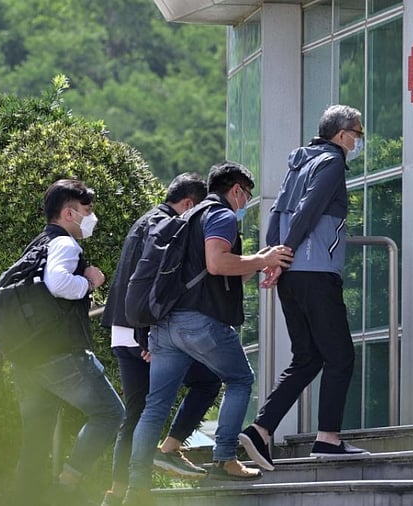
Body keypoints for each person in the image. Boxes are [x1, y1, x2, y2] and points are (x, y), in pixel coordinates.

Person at [121, 162, 293, 506]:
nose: (245, 201)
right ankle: (225, 458)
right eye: (246, 194)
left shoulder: (186, 218)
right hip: (198, 322)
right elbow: (217, 263)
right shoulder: (222, 216)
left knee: (155, 405)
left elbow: (215, 273)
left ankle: (135, 486)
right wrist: (263, 260)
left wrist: (256, 260)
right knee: (240, 379)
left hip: (165, 325)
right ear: (236, 190)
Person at [239, 105, 369, 472]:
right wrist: (286, 252)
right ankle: (328, 439)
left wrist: (273, 258)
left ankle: (261, 430)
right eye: (357, 134)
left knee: (309, 357)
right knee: (340, 356)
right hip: (315, 272)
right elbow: (308, 210)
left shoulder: (299, 162)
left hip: (292, 274)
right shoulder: (330, 162)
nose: (358, 141)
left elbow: (278, 212)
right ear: (342, 135)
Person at [99, 174, 223, 506]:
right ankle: (168, 450)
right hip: (144, 332)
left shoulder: (145, 221)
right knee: (208, 380)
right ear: (188, 205)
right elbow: (151, 283)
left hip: (122, 329)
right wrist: (147, 338)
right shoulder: (167, 227)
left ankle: (120, 490)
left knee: (137, 410)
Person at [9, 179, 125, 506]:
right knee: (109, 413)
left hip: (28, 357)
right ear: (70, 213)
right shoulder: (64, 243)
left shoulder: (37, 244)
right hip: (60, 354)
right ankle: (65, 487)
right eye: (88, 211)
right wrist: (90, 281)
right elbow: (58, 283)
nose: (92, 217)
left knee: (35, 441)